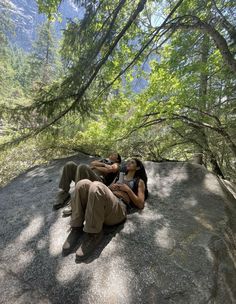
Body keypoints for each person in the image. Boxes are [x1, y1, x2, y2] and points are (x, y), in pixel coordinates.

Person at [62, 158, 148, 261]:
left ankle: (94, 234)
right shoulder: (119, 176)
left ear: (138, 167)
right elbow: (106, 189)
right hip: (107, 202)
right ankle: (76, 227)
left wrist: (127, 190)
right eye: (128, 161)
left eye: (132, 162)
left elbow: (140, 204)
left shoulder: (139, 181)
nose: (128, 163)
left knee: (97, 186)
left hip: (119, 208)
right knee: (82, 184)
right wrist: (111, 187)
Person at [53, 152, 122, 214]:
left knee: (83, 167)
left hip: (98, 181)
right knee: (69, 165)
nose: (112, 153)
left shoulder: (116, 164)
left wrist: (95, 167)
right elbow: (93, 163)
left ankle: (75, 201)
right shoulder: (104, 160)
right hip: (88, 175)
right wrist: (103, 165)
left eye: (115, 154)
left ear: (117, 159)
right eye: (112, 153)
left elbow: (110, 169)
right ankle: (64, 193)